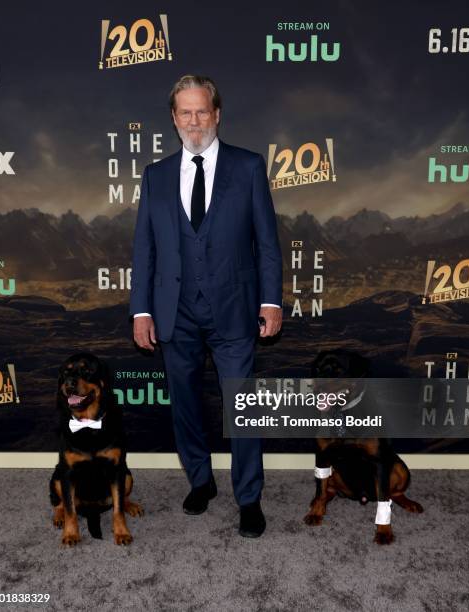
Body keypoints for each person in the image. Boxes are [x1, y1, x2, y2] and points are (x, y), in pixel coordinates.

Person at [130, 75, 282, 537]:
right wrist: (141, 310)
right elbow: (145, 249)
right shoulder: (155, 176)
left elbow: (267, 243)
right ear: (174, 119)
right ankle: (200, 481)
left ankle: (249, 498)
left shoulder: (250, 166)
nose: (194, 121)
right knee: (187, 407)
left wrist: (271, 300)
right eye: (185, 113)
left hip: (235, 310)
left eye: (202, 111)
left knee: (243, 407)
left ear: (217, 114)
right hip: (175, 311)